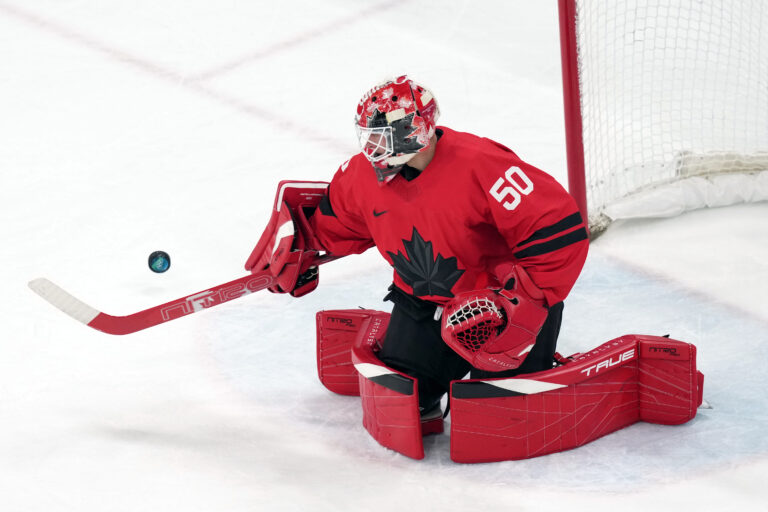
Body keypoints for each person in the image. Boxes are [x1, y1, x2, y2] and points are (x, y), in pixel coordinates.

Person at [251, 75, 589, 417]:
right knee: (401, 407)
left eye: (381, 137)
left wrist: (526, 301)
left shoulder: (481, 164)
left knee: (497, 416)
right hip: (422, 301)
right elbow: (340, 222)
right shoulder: (359, 175)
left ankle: (539, 361)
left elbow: (556, 231)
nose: (371, 148)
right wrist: (299, 249)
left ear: (414, 131)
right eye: (367, 136)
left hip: (496, 309)